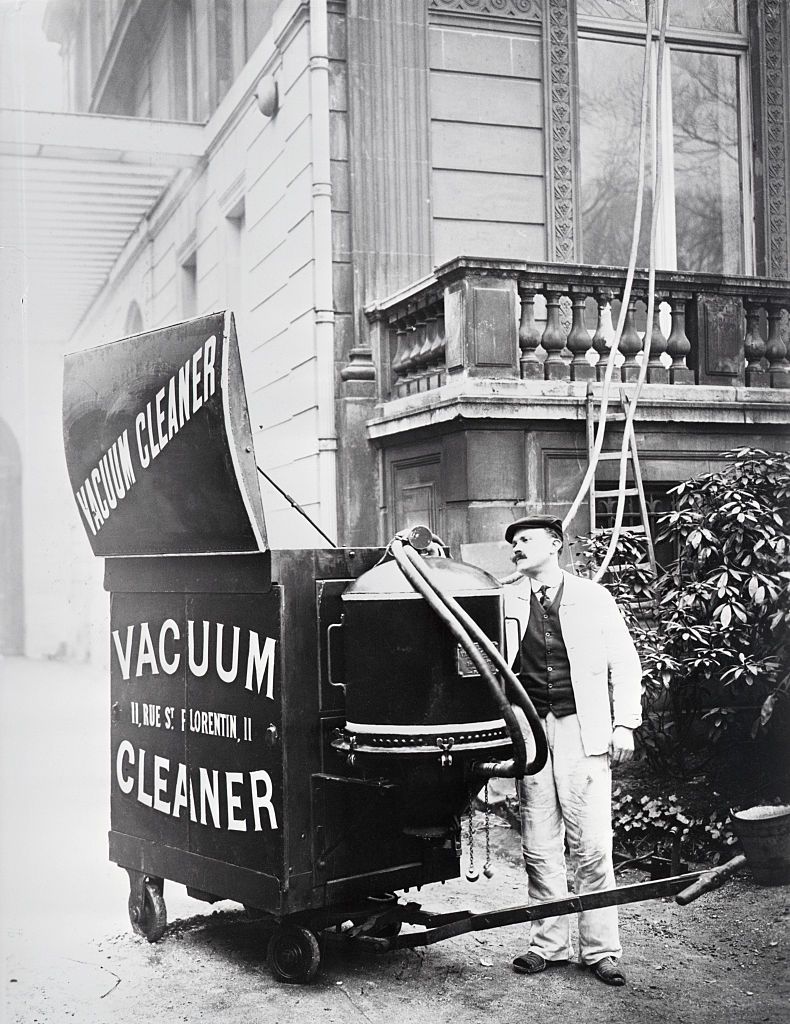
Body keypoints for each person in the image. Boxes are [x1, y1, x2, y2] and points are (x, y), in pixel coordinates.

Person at [503, 514, 642, 987]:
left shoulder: (591, 597)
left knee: (593, 846)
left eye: (525, 540)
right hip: (533, 732)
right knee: (539, 846)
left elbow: (624, 662)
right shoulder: (505, 600)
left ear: (555, 544)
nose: (516, 549)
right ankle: (548, 945)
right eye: (513, 543)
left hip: (584, 731)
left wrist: (624, 724)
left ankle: (601, 950)